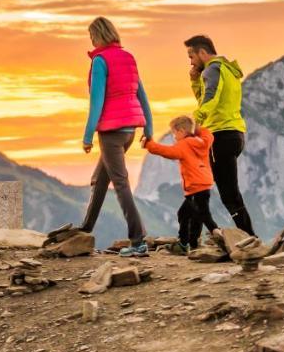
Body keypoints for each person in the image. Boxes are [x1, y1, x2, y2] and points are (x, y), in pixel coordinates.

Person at [80, 16, 154, 257]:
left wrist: (88, 134)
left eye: (91, 35)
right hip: (129, 131)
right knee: (99, 180)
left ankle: (138, 240)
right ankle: (85, 230)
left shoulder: (101, 61)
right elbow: (141, 94)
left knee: (120, 184)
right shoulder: (128, 58)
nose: (90, 40)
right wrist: (149, 128)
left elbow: (97, 101)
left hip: (111, 133)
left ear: (98, 35)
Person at [185, 34, 255, 235]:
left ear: (202, 52)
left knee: (227, 194)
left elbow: (210, 97)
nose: (190, 61)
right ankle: (195, 235)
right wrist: (195, 81)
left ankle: (250, 238)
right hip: (235, 134)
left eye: (191, 56)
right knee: (203, 186)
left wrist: (196, 122)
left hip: (219, 136)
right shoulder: (227, 70)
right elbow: (208, 96)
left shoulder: (212, 69)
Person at [143, 115, 218, 254]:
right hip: (204, 184)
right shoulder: (202, 141)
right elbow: (209, 136)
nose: (174, 136)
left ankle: (215, 234)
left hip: (195, 186)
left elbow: (168, 152)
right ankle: (191, 243)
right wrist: (198, 129)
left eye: (174, 132)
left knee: (200, 214)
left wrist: (149, 144)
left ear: (182, 131)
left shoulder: (184, 144)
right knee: (191, 214)